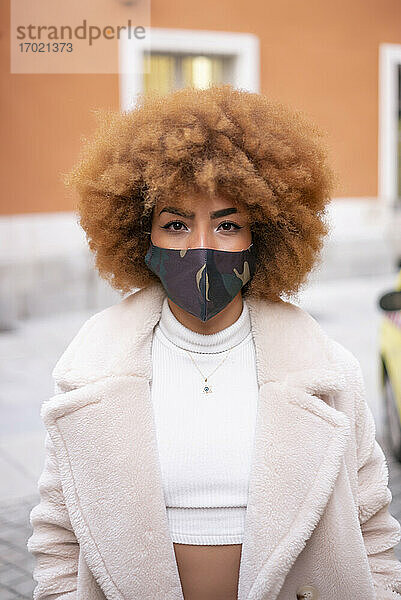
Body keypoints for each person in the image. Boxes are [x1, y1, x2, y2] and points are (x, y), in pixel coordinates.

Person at [27, 84, 401, 600]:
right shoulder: (90, 370)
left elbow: (373, 528)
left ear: (263, 236)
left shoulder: (328, 370)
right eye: (176, 224)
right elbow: (58, 536)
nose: (201, 247)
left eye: (227, 224)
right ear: (142, 238)